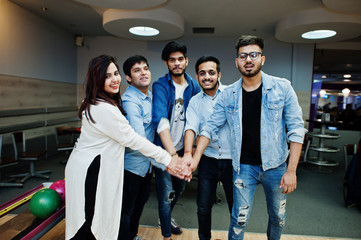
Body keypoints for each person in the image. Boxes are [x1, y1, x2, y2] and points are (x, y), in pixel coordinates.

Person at [186, 35, 306, 240]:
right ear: (237, 62)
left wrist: (292, 170)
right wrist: (194, 159)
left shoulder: (282, 87)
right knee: (238, 220)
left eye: (253, 54)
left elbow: (296, 129)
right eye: (243, 56)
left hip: (276, 166)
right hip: (243, 168)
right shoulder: (229, 95)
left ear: (262, 59)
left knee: (278, 216)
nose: (248, 60)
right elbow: (209, 128)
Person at [65, 54, 181, 240]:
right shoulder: (103, 108)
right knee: (89, 221)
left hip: (97, 166)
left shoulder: (105, 102)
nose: (114, 79)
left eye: (115, 73)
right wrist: (169, 159)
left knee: (98, 219)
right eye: (107, 76)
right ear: (97, 79)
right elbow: (134, 139)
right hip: (90, 170)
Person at [152, 41, 201, 240]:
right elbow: (161, 121)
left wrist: (189, 152)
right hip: (163, 150)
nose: (177, 63)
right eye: (172, 60)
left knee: (179, 188)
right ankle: (166, 235)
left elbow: (198, 117)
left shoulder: (194, 86)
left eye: (180, 59)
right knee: (166, 193)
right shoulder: (160, 85)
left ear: (186, 61)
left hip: (183, 149)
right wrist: (172, 156)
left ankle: (164, 217)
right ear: (166, 63)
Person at [119, 55, 170, 240]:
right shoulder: (131, 100)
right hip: (131, 166)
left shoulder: (149, 96)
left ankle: (133, 236)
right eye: (137, 70)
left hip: (146, 165)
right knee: (126, 210)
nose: (143, 73)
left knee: (139, 205)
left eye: (145, 68)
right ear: (129, 77)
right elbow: (139, 138)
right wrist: (168, 160)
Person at [183, 56, 233, 240]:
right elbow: (190, 127)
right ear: (197, 76)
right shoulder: (195, 101)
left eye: (211, 72)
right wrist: (189, 153)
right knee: (203, 206)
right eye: (202, 73)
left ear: (219, 74)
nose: (207, 77)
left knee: (236, 207)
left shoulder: (232, 95)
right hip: (207, 160)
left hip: (233, 161)